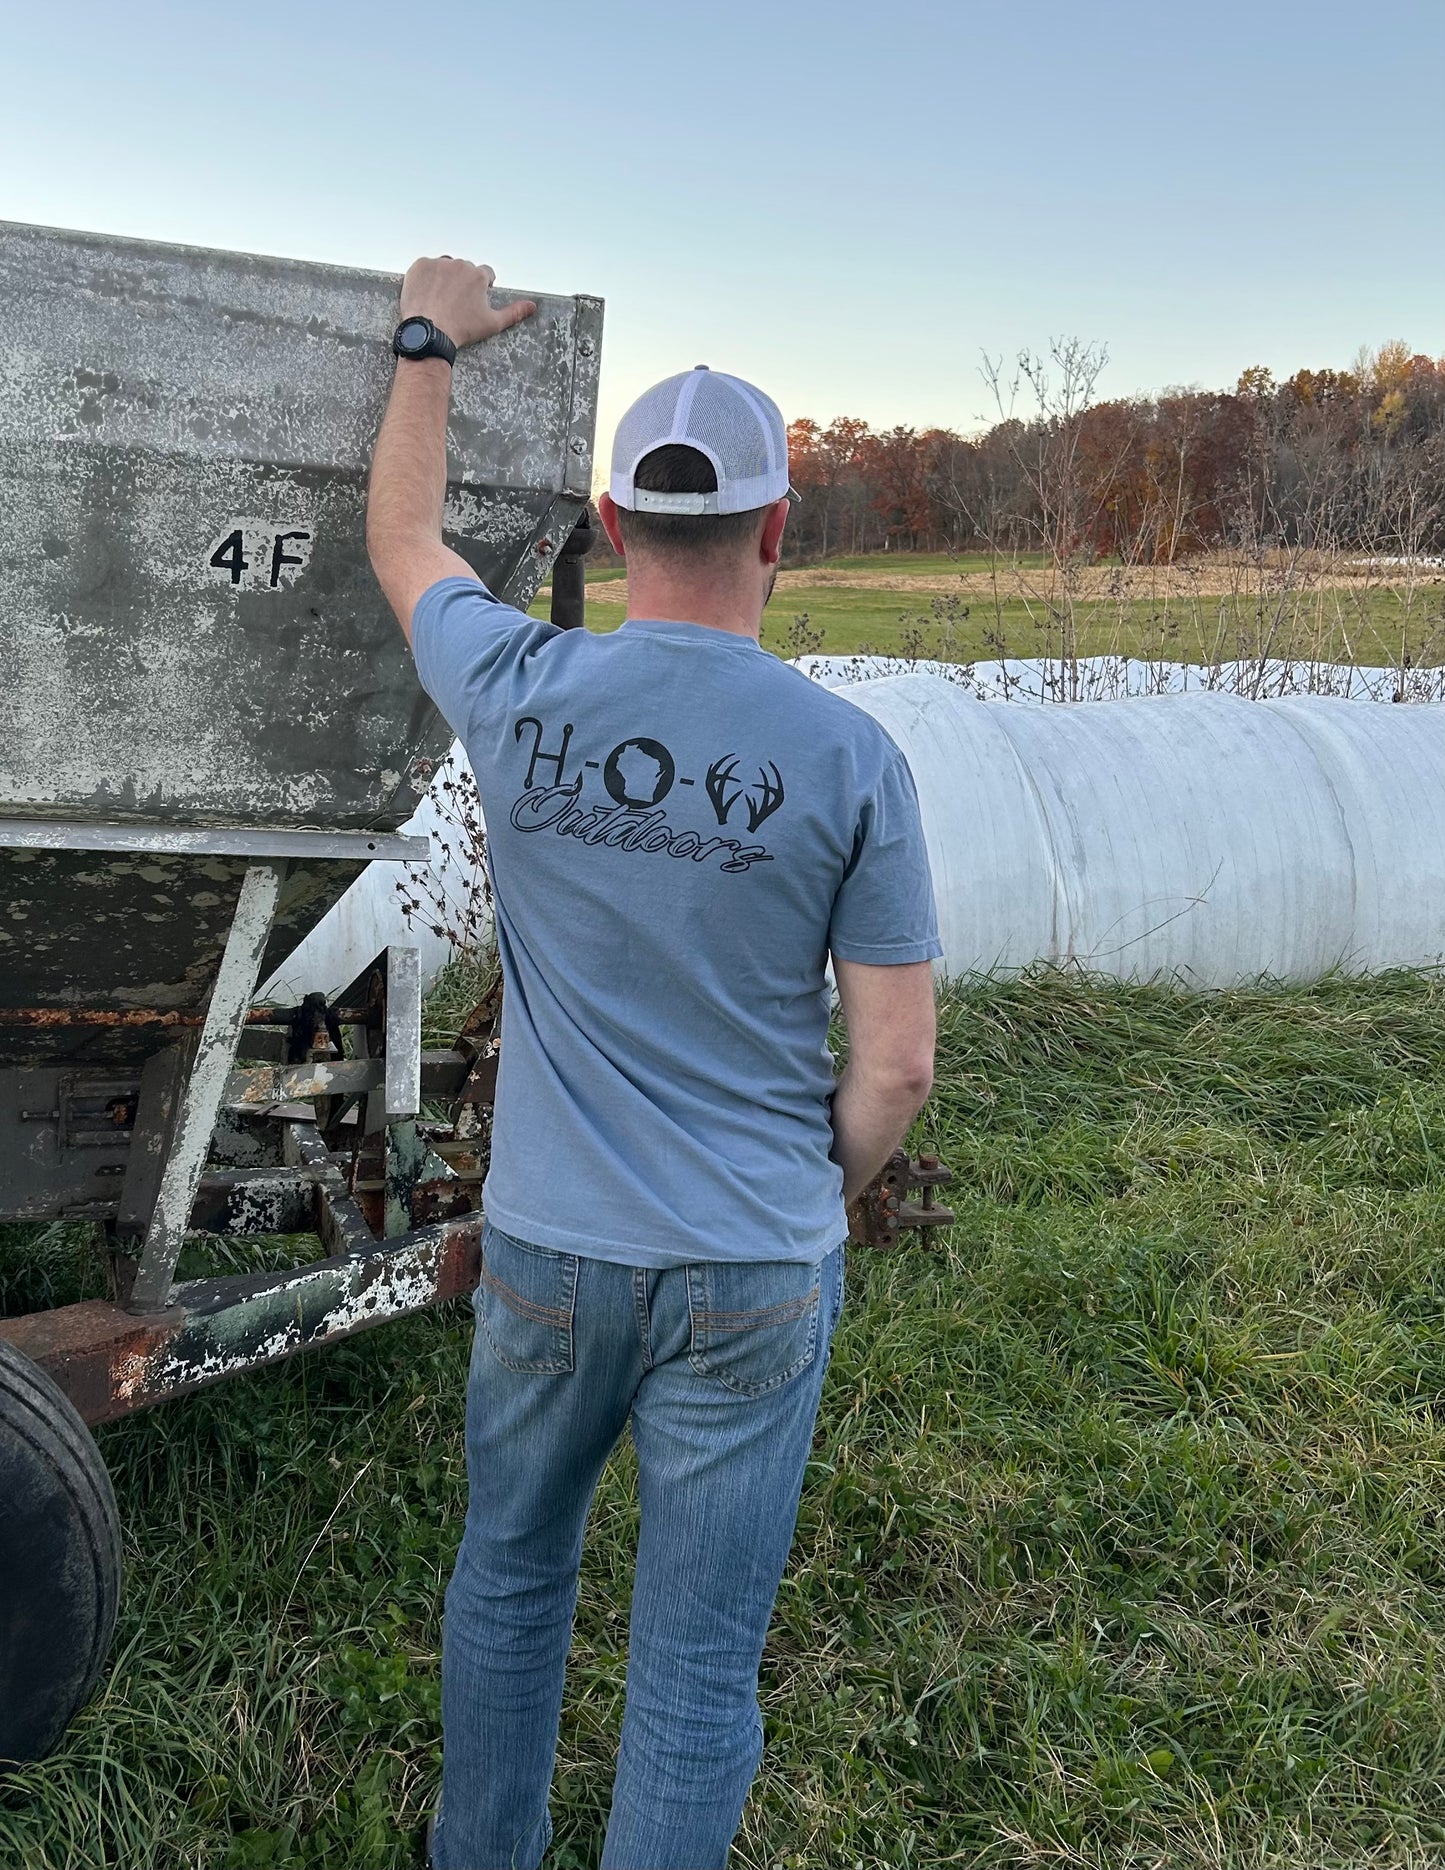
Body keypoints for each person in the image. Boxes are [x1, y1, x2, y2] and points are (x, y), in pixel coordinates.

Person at [366, 255, 940, 1870]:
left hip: (552, 1251)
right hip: (753, 1262)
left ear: (613, 528)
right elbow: (895, 1068)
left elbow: (404, 540)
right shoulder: (851, 757)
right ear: (777, 530)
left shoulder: (518, 683)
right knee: (693, 1666)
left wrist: (429, 341)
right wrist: (799, 1199)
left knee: (509, 1579)